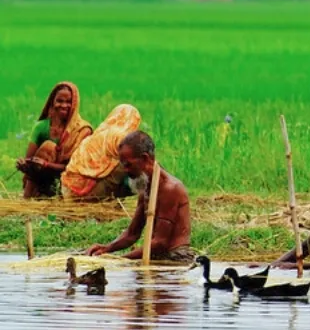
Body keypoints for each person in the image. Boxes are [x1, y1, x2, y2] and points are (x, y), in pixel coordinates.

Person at [85, 131, 194, 262]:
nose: (125, 171)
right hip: (156, 254)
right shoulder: (146, 186)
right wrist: (106, 249)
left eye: (128, 165)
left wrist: (120, 260)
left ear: (145, 159)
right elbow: (132, 234)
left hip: (175, 256)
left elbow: (160, 242)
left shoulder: (169, 189)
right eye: (123, 165)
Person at [15, 82, 92, 198]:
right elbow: (29, 160)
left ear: (75, 104)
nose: (64, 105)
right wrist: (23, 164)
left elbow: (75, 168)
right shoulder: (41, 127)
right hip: (42, 180)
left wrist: (46, 164)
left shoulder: (82, 131)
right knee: (48, 147)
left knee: (50, 148)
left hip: (69, 182)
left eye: (69, 102)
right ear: (52, 102)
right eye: (59, 101)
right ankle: (29, 197)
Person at [62, 104, 141, 201]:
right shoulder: (120, 136)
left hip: (68, 190)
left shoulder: (99, 133)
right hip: (84, 194)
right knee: (128, 165)